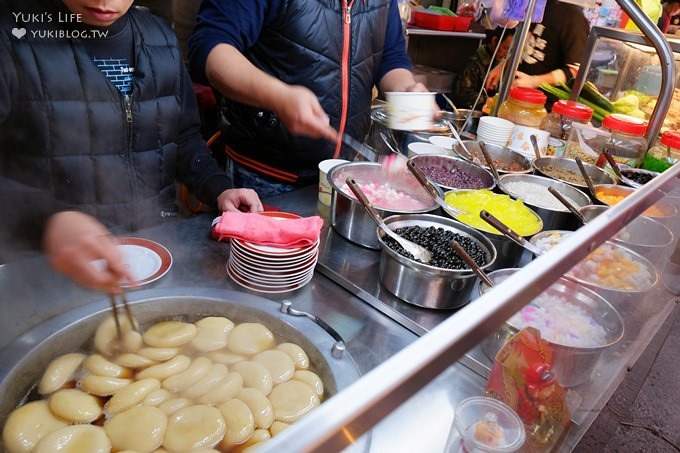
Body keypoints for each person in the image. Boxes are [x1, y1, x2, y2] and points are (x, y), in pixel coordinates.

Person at [0, 0, 263, 293]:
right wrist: (48, 220)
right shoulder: (12, 37)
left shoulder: (159, 38)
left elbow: (183, 136)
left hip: (153, 255)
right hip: (46, 271)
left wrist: (218, 188)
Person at [188, 0, 428, 198]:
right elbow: (211, 49)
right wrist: (278, 96)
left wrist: (405, 88)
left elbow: (390, 56)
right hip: (264, 179)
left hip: (343, 176)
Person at [485, 0, 589, 90]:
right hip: (513, 95)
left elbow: (575, 70)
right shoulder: (535, 5)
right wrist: (503, 65)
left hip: (543, 105)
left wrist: (535, 81)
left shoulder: (573, 17)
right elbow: (526, 46)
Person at [451, 26, 515, 110]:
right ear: (494, 41)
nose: (506, 54)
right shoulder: (474, 63)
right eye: (505, 48)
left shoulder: (504, 64)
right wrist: (490, 102)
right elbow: (463, 95)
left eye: (510, 51)